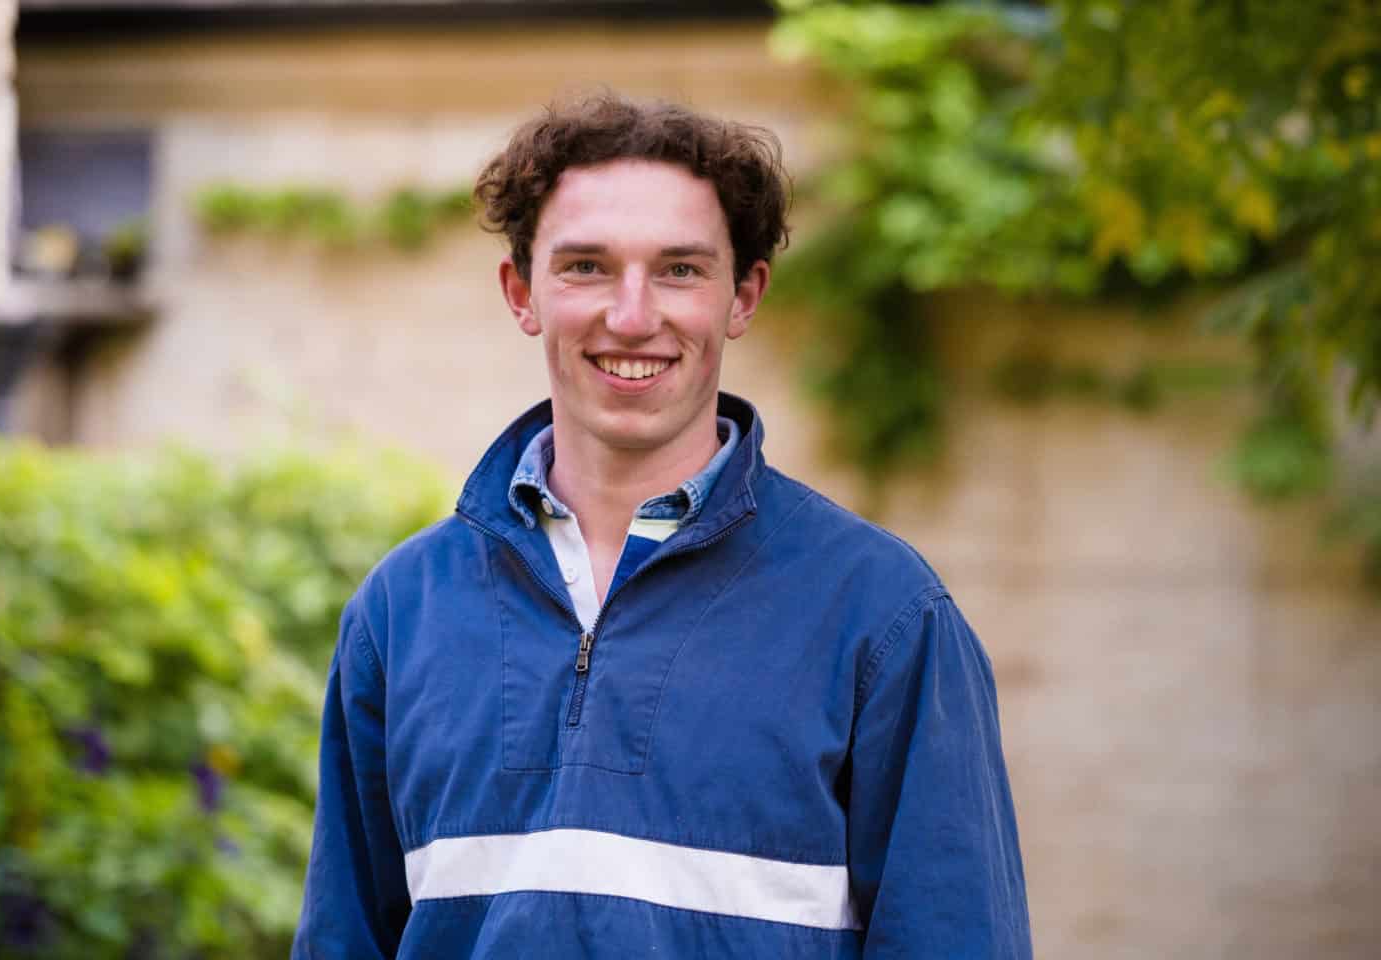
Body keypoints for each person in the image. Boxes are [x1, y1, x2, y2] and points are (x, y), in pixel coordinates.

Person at [292, 93, 1031, 959]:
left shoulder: (884, 615)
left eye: (679, 270)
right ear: (522, 292)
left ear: (743, 295)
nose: (633, 315)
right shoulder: (401, 613)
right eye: (586, 268)